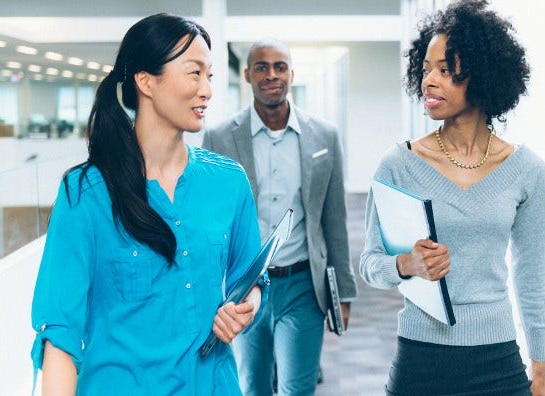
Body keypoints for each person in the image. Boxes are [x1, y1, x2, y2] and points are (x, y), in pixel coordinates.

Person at [30, 13, 266, 395]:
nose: (206, 90)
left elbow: (252, 277)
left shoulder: (228, 181)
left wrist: (246, 308)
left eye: (210, 76)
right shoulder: (86, 194)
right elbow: (60, 333)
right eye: (194, 73)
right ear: (146, 82)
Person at [359, 1, 545, 395]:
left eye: (445, 71)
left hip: (498, 359)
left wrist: (540, 367)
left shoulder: (526, 169)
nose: (429, 81)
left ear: (482, 76)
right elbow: (370, 264)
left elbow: (531, 277)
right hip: (421, 359)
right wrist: (407, 263)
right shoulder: (399, 164)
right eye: (426, 70)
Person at [202, 38, 357, 396]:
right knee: (251, 385)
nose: (272, 75)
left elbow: (334, 219)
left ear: (291, 73)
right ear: (247, 75)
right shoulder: (219, 138)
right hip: (243, 287)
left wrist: (343, 293)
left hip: (303, 283)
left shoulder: (325, 136)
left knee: (297, 387)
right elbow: (210, 223)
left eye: (280, 66)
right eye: (261, 67)